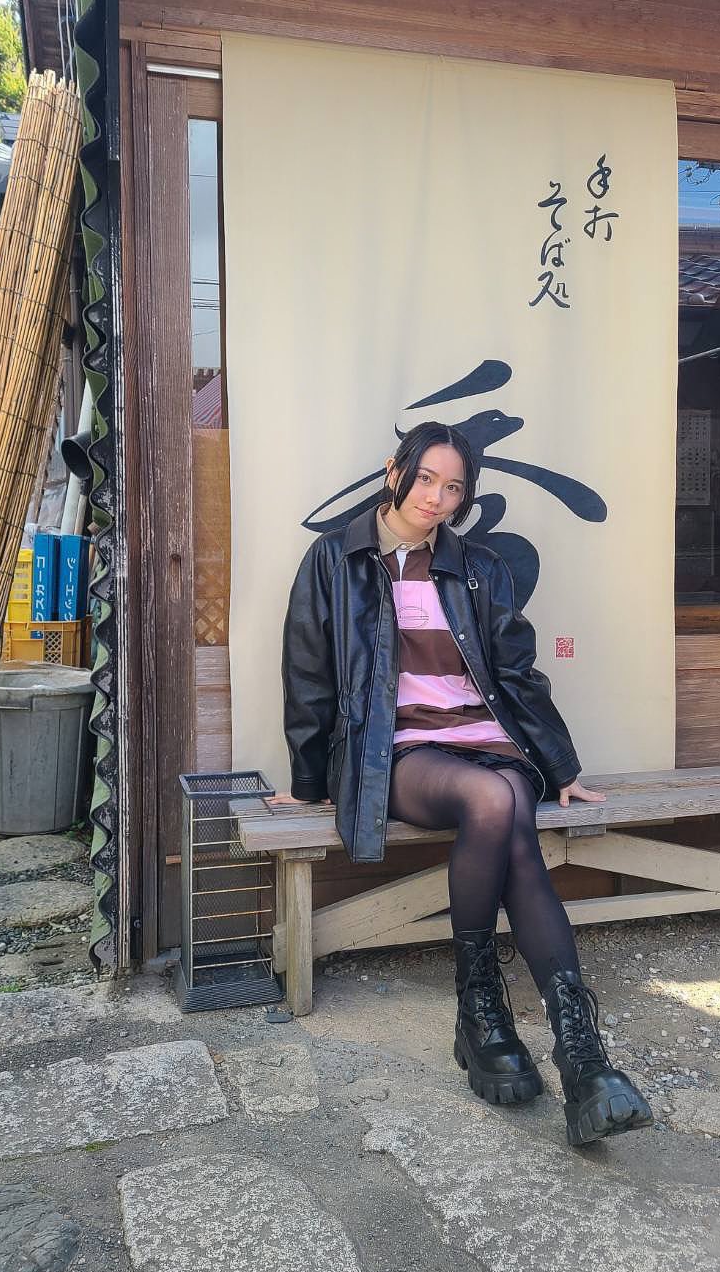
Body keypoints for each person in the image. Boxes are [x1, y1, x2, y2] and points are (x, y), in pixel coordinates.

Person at [277, 421, 651, 1145]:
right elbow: (308, 673)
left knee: (508, 802)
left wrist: (562, 767)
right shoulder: (335, 558)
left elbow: (515, 672)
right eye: (425, 479)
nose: (436, 497)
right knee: (495, 799)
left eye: (452, 487)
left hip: (486, 737)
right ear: (395, 471)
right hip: (397, 750)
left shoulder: (478, 567)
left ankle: (564, 1052)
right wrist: (308, 777)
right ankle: (519, 1026)